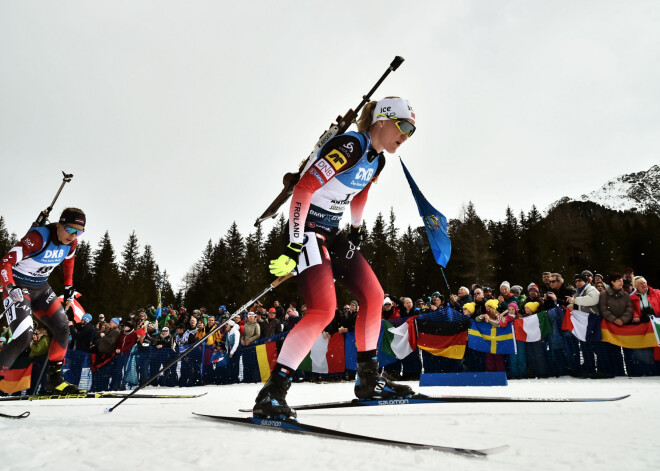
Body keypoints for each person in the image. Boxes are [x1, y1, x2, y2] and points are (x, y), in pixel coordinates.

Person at [253, 97, 416, 419]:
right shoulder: (351, 146)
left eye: (412, 131)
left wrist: (355, 228)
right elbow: (303, 189)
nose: (407, 135)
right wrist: (293, 246)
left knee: (374, 295)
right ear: (382, 121)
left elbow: (362, 190)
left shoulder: (378, 160)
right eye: (404, 126)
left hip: (333, 231)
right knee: (323, 310)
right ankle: (272, 392)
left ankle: (369, 379)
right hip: (308, 229)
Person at [0, 207, 86, 394]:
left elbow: (69, 261)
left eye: (78, 231)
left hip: (41, 288)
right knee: (23, 337)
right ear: (58, 225)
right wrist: (9, 287)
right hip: (18, 286)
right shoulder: (38, 238)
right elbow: (4, 263)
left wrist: (68, 287)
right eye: (70, 229)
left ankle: (54, 381)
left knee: (63, 327)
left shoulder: (71, 244)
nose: (73, 235)